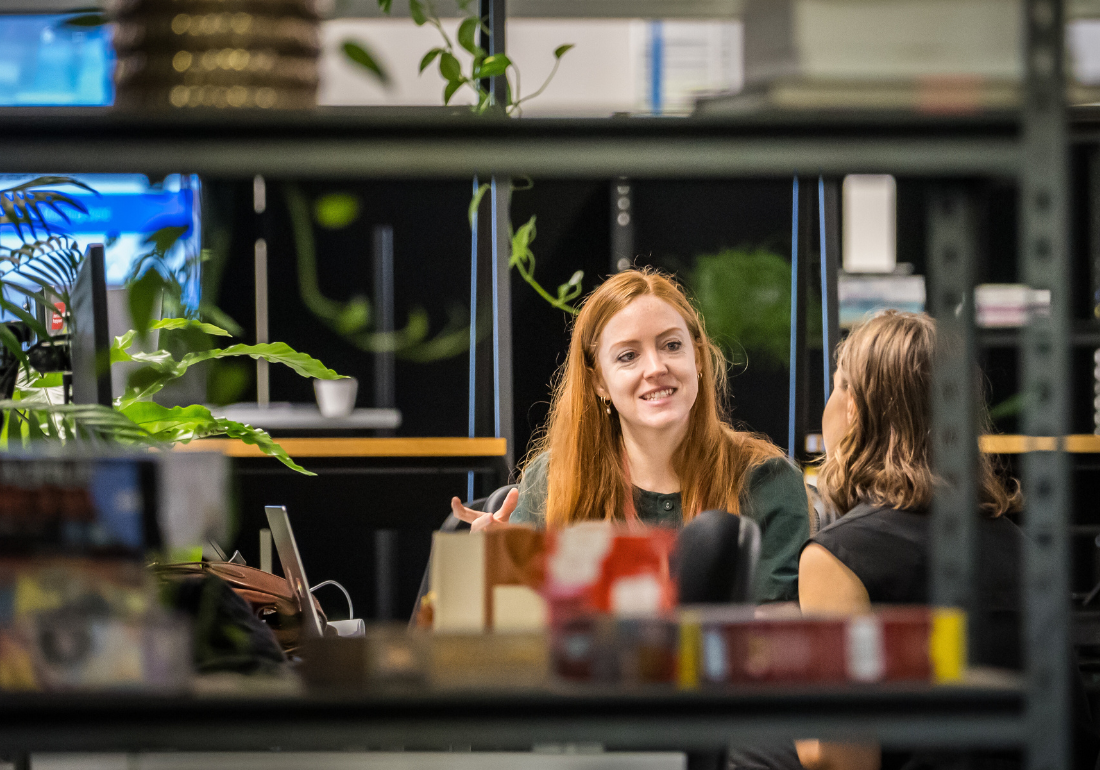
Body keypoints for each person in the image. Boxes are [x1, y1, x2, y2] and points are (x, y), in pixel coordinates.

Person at [797, 310, 1095, 770]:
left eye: (838, 385)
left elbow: (841, 761)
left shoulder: (837, 559)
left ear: (854, 407)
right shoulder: (1028, 552)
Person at [450, 267, 810, 604]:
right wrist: (496, 574)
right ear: (599, 381)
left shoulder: (768, 481)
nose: (656, 368)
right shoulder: (553, 479)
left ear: (697, 358)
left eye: (672, 346)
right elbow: (517, 641)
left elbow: (770, 639)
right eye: (628, 356)